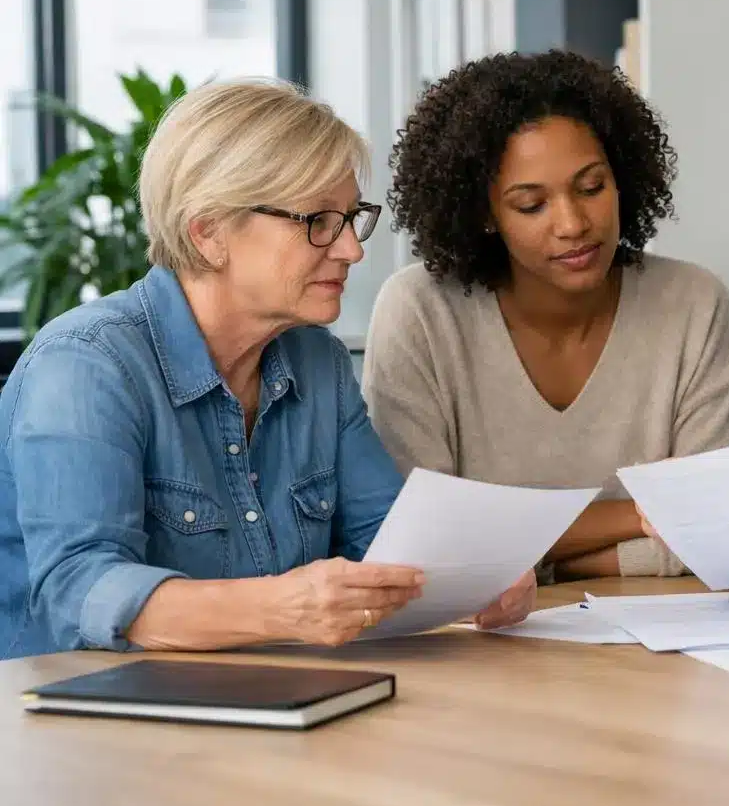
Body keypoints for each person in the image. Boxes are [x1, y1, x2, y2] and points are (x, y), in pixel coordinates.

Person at [0, 79, 535, 660]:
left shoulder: (318, 363)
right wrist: (281, 607)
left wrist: (473, 578)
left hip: (266, 702)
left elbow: (386, 541)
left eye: (352, 218)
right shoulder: (86, 365)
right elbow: (79, 593)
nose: (351, 250)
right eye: (317, 222)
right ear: (208, 233)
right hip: (76, 719)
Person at [365, 50, 729, 581]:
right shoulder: (421, 313)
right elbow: (425, 544)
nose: (573, 224)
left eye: (592, 188)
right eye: (531, 205)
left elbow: (726, 531)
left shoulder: (692, 302)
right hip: (478, 652)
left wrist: (539, 565)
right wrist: (642, 517)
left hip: (668, 648)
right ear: (482, 215)